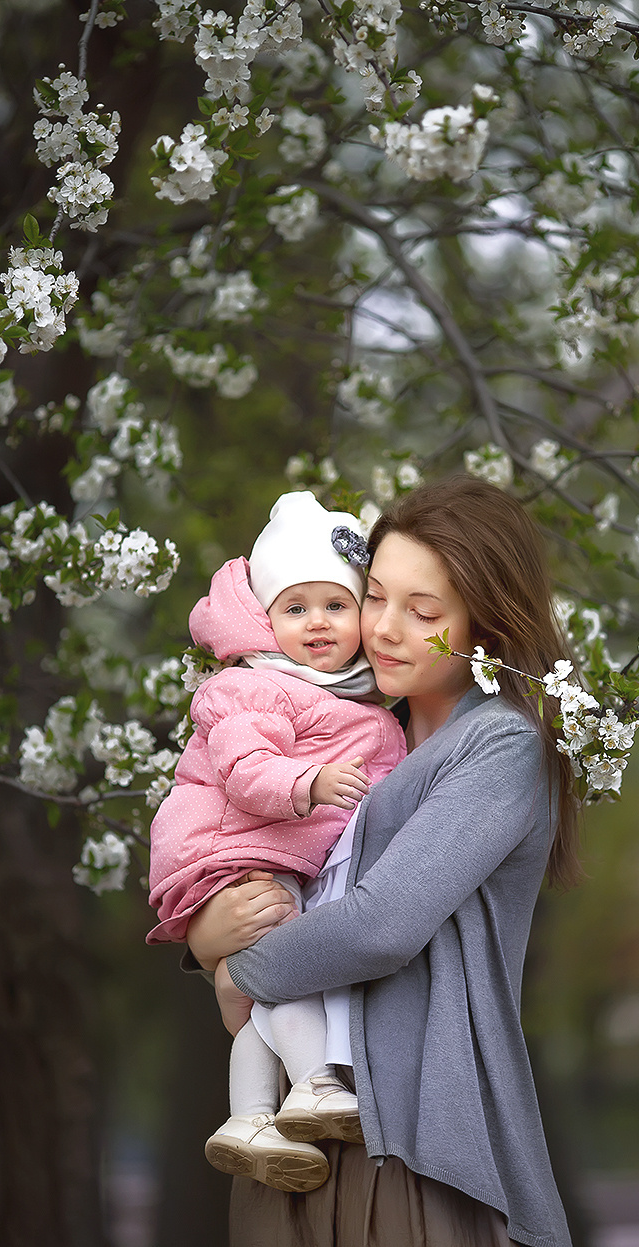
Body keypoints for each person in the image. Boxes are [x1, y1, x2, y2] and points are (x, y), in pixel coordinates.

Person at [187, 475, 580, 1247]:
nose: (386, 628)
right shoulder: (351, 733)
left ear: (486, 628)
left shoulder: (496, 746)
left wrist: (238, 969)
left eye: (423, 610)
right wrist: (204, 935)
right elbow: (246, 850)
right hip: (293, 1133)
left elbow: (379, 926)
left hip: (404, 1135)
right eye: (373, 597)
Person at [147, 491, 406, 1191]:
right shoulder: (258, 686)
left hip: (265, 851)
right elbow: (241, 768)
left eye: (334, 604)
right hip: (232, 844)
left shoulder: (352, 698)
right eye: (294, 608)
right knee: (285, 957)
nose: (316, 622)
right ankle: (314, 1081)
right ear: (267, 620)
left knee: (264, 989)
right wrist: (308, 784)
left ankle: (248, 1117)